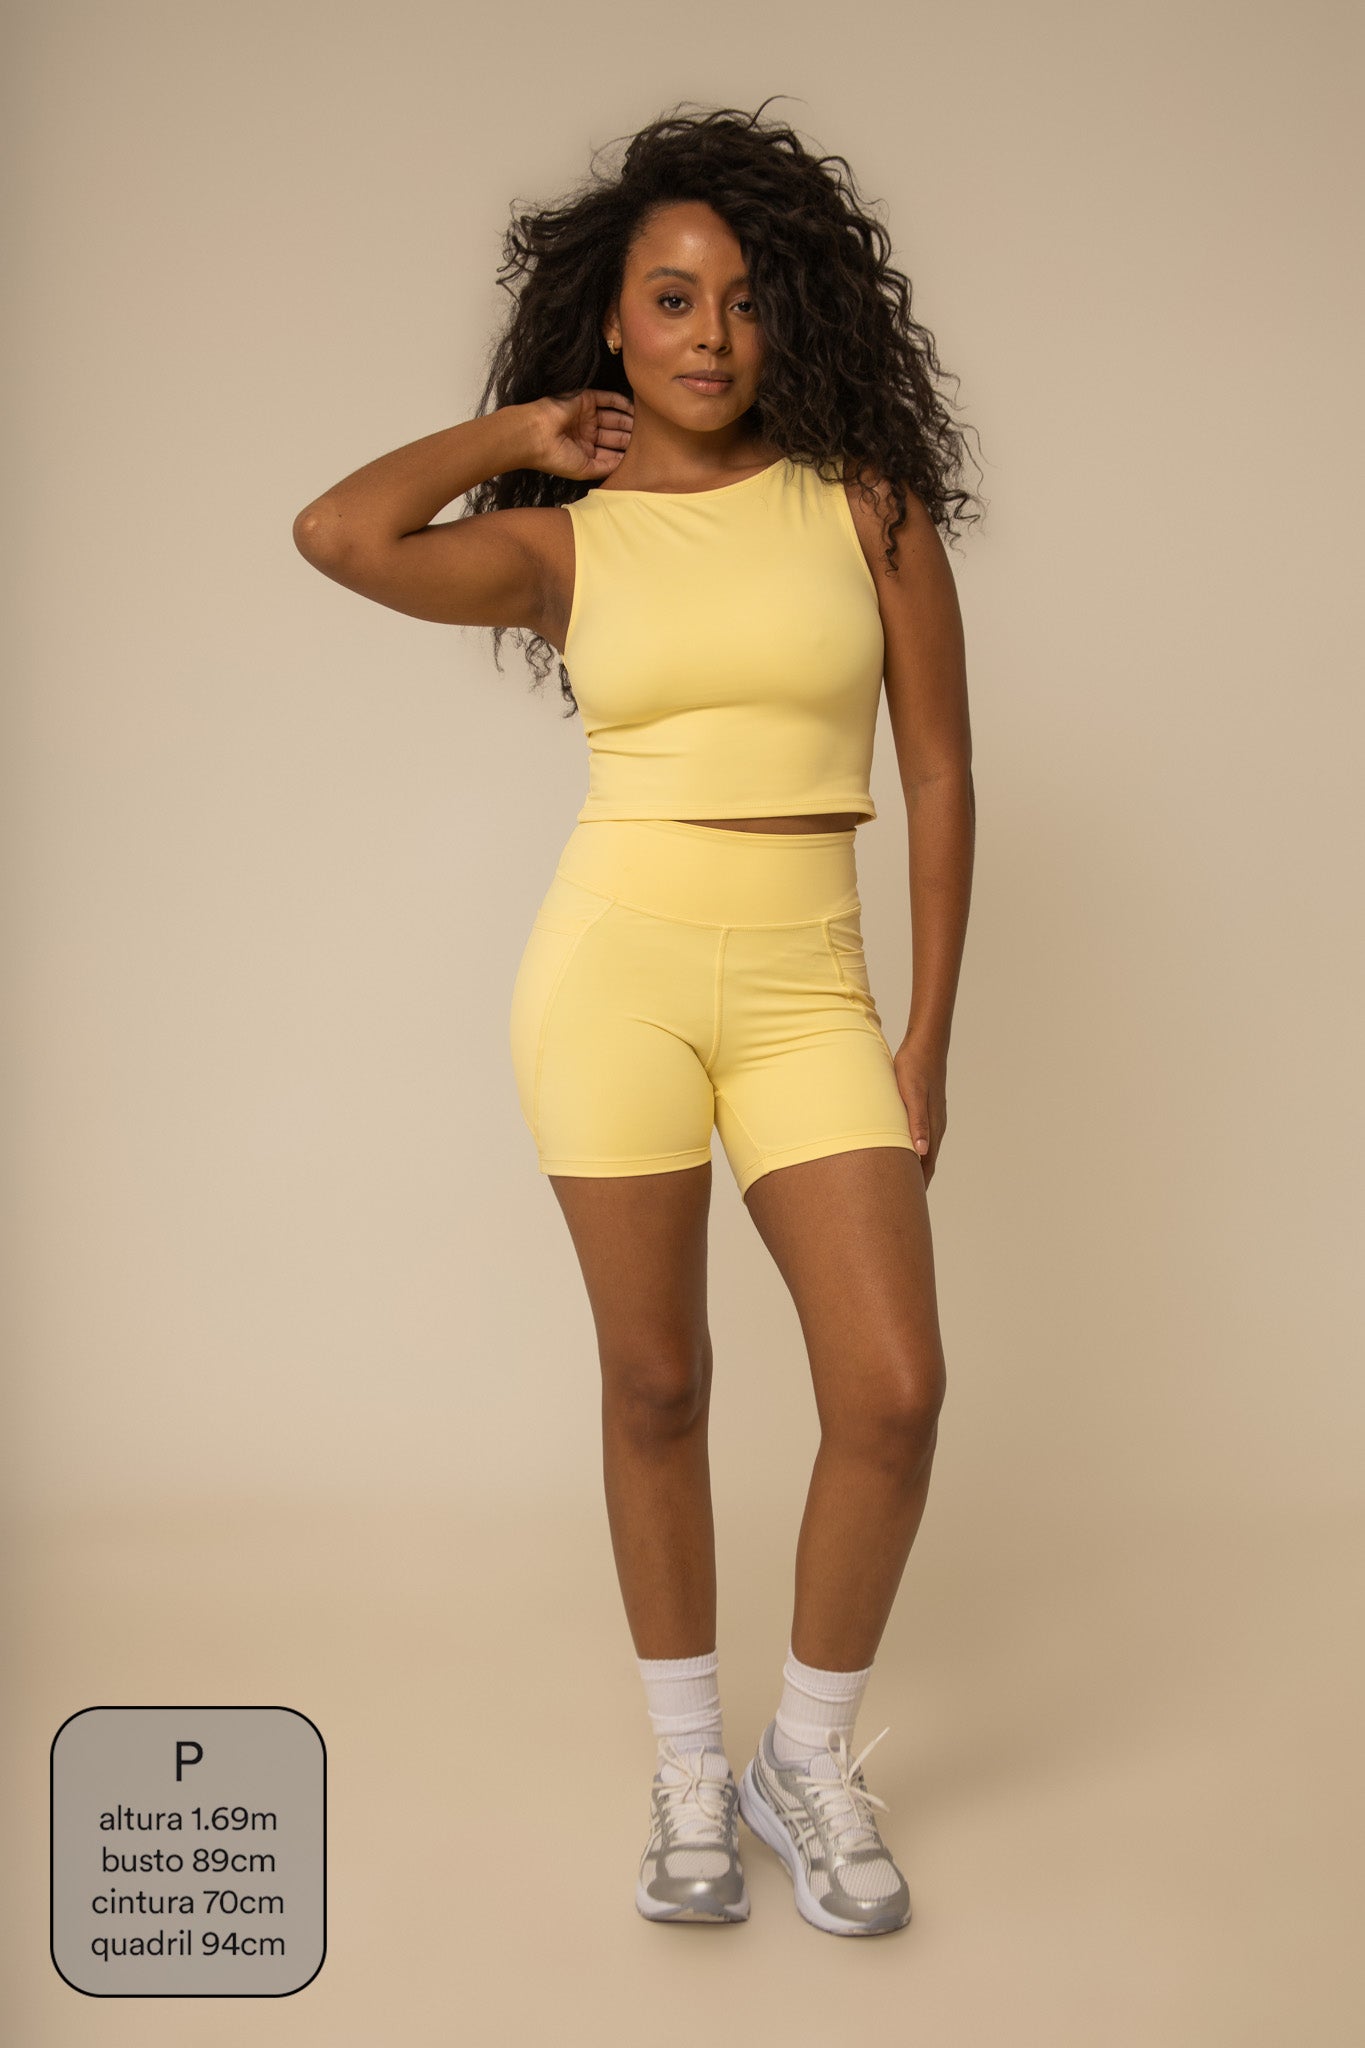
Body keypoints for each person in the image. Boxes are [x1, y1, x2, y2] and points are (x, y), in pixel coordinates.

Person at [292, 100, 979, 1938]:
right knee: (656, 1382)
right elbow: (339, 533)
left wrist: (924, 1035)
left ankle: (802, 1761)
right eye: (670, 299)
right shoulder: (565, 543)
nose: (709, 334)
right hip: (615, 979)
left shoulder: (864, 504)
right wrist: (520, 437)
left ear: (789, 314)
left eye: (744, 299)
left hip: (811, 989)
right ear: (611, 319)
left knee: (892, 1391)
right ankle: (687, 1767)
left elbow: (937, 771)